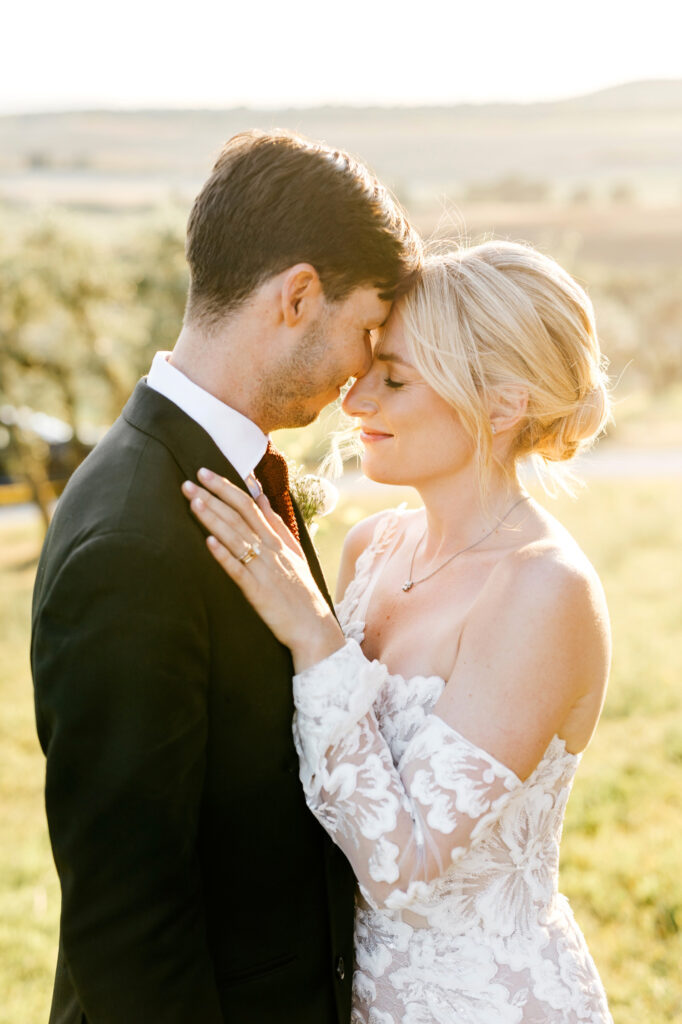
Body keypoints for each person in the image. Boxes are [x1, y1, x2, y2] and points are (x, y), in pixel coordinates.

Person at [31, 129, 421, 1024]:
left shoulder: (214, 473)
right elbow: (127, 919)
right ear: (297, 297)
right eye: (366, 329)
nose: (362, 371)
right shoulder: (133, 539)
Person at [183, 240, 614, 1023]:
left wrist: (316, 640)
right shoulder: (370, 548)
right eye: (367, 369)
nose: (355, 404)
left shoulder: (545, 590)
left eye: (395, 379)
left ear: (502, 404)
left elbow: (402, 870)